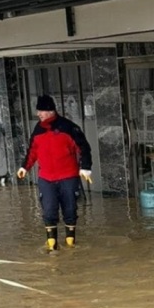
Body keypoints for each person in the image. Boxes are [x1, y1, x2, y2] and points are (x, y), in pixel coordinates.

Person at [17, 94, 93, 250]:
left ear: (50, 111)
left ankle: (70, 243)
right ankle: (52, 246)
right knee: (49, 210)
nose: (38, 114)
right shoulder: (38, 130)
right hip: (46, 178)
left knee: (70, 209)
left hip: (68, 177)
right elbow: (32, 152)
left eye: (41, 111)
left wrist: (85, 168)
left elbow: (84, 148)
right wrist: (25, 167)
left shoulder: (68, 127)